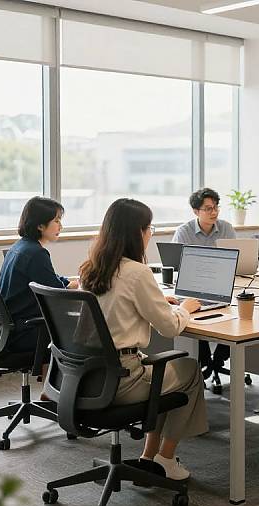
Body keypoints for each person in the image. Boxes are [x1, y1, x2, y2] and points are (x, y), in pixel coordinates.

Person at [79, 198, 207, 480]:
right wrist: (184, 308)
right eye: (148, 227)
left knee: (163, 377)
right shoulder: (137, 272)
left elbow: (118, 305)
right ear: (135, 233)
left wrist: (158, 300)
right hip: (123, 380)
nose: (150, 233)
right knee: (188, 372)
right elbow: (170, 327)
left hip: (87, 378)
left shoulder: (90, 269)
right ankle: (166, 458)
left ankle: (149, 457)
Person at [0, 197, 78, 363]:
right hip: (25, 331)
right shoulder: (36, 253)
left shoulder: (20, 247)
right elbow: (55, 295)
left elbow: (48, 279)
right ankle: (64, 387)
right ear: (40, 225)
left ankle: (53, 387)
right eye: (56, 221)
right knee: (85, 333)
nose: (60, 226)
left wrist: (67, 282)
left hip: (8, 329)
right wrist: (71, 287)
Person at [172, 187, 235, 378]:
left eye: (216, 207)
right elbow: (176, 265)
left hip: (221, 286)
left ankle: (219, 359)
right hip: (194, 288)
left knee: (235, 313)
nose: (214, 212)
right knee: (193, 313)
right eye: (208, 208)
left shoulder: (226, 228)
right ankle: (205, 360)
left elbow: (234, 261)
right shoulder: (183, 232)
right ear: (195, 211)